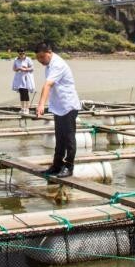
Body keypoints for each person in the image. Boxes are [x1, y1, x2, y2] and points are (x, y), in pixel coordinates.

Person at [34, 42, 82, 178]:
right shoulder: (49, 65)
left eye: (42, 57)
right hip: (58, 107)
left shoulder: (58, 64)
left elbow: (47, 85)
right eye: (38, 59)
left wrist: (41, 105)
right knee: (59, 138)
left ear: (49, 52)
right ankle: (57, 165)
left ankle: (69, 166)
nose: (41, 61)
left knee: (68, 138)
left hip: (68, 106)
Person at [11, 48, 35, 114]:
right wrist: (18, 68)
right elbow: (13, 69)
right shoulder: (16, 59)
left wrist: (26, 69)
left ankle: (27, 109)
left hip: (26, 78)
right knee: (21, 93)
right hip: (19, 78)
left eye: (23, 53)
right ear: (18, 53)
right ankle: (22, 108)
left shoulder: (28, 59)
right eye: (20, 53)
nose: (22, 54)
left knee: (26, 93)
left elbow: (32, 68)